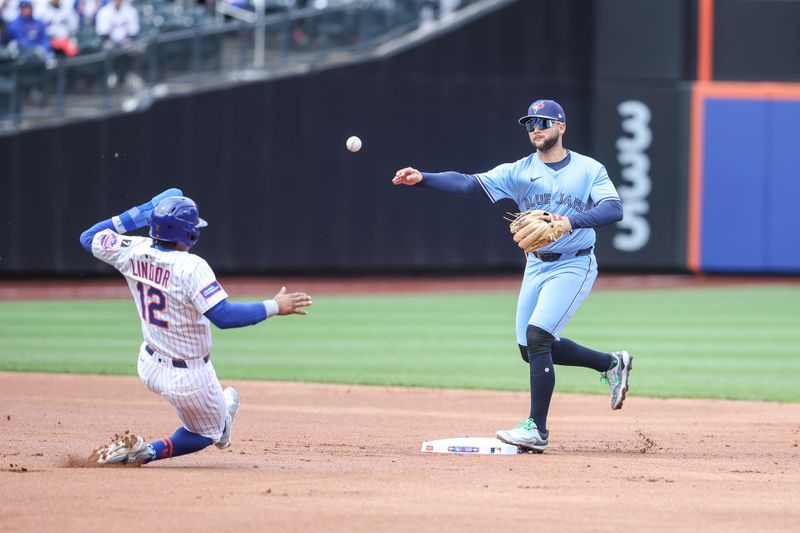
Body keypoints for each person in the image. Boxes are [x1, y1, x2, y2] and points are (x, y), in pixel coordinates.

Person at [392, 99, 632, 453]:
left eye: (543, 122)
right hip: (537, 264)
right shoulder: (520, 170)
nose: (535, 128)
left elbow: (613, 209)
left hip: (575, 262)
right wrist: (422, 179)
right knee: (529, 348)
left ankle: (537, 430)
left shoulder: (588, 169)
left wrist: (568, 222)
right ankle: (611, 363)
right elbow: (468, 183)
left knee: (539, 337)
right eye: (530, 123)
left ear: (561, 127)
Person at [79, 189, 313, 464]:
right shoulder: (191, 266)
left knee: (215, 410)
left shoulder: (132, 250)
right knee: (210, 434)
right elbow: (223, 316)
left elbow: (88, 237)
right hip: (189, 378)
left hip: (149, 364)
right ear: (189, 234)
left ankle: (220, 414)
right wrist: (274, 306)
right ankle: (148, 451)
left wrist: (143, 211)